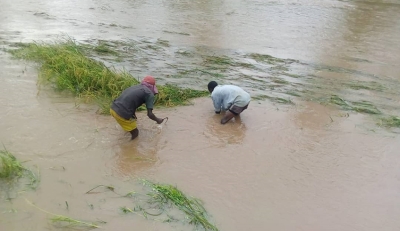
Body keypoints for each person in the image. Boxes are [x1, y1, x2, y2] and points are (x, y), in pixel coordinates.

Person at [110, 76, 164, 140]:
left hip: (113, 109)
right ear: (152, 87)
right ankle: (129, 148)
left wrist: (133, 115)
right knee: (135, 133)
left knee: (130, 126)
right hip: (122, 114)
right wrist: (158, 120)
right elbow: (150, 114)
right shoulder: (149, 94)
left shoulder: (135, 87)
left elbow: (128, 102)